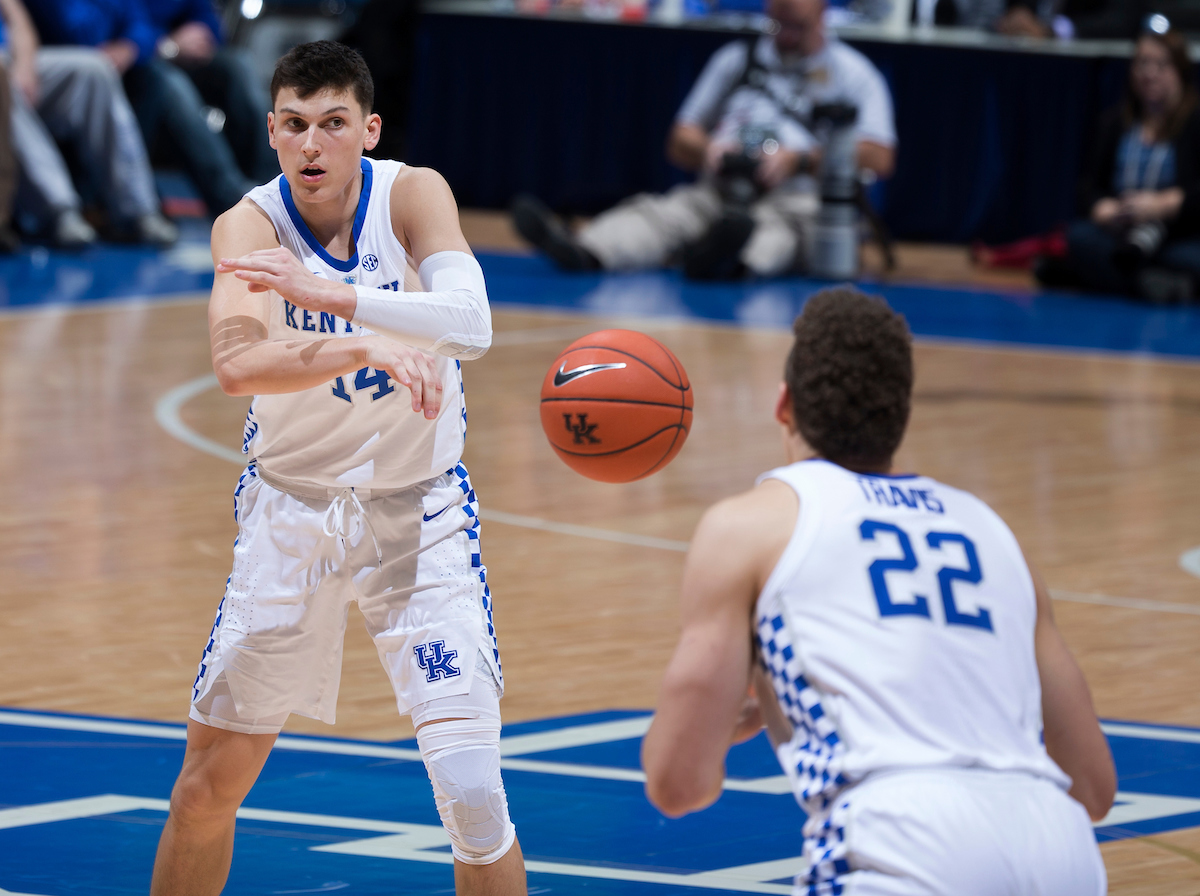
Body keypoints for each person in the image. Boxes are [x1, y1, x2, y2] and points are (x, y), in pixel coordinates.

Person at [149, 41, 526, 896]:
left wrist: (338, 300)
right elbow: (236, 365)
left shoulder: (412, 194)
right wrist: (365, 344)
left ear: (369, 130)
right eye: (294, 125)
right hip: (292, 517)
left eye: (332, 124)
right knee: (205, 792)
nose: (312, 145)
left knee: (473, 797)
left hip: (419, 518)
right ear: (271, 131)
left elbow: (471, 323)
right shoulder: (249, 226)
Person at [641, 287, 1115, 894]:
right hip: (1059, 849)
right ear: (900, 417)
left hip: (900, 836)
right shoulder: (992, 531)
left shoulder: (750, 526)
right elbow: (1093, 788)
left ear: (784, 404)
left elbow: (678, 784)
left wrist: (725, 718)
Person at [513, 0, 895, 280]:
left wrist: (800, 160)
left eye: (796, 25)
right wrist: (709, 149)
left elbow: (880, 156)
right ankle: (586, 250)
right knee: (661, 215)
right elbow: (680, 138)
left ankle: (728, 262)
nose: (785, 32)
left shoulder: (854, 73)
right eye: (778, 23)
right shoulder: (736, 59)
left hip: (794, 200)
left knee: (777, 236)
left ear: (822, 10)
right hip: (720, 190)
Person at [29, 0, 275, 217]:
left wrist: (197, 36)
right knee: (168, 82)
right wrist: (165, 45)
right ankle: (231, 196)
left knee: (238, 65)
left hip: (158, 52)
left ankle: (272, 188)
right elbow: (84, 32)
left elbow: (206, 22)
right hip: (138, 60)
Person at [1040, 27, 1200, 302]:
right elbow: (1088, 189)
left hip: (1175, 233)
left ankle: (1103, 277)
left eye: (1161, 65)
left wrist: (1164, 204)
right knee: (1079, 238)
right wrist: (1106, 209)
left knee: (1191, 257)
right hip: (1120, 233)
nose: (1149, 73)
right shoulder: (1113, 123)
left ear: (1179, 71)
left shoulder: (1195, 123)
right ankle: (1152, 284)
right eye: (1142, 64)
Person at [0, 0, 176, 246]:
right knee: (3, 85)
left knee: (95, 69)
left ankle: (137, 210)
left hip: (14, 58)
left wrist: (24, 65)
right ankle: (59, 210)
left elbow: (18, 22)